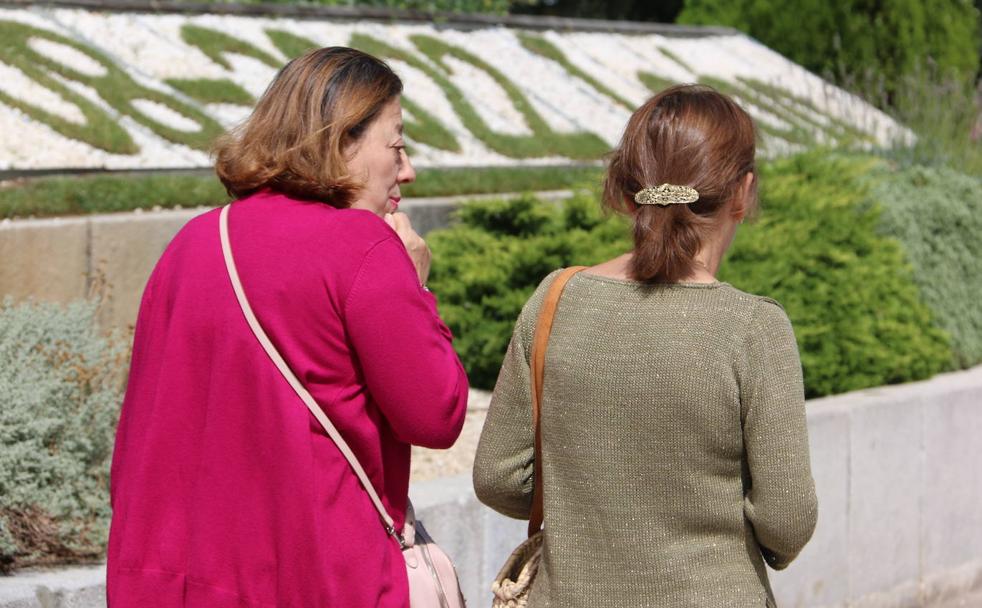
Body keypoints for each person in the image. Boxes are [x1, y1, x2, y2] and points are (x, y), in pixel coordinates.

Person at [107, 47, 469, 607]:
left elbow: (147, 426)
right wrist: (417, 286)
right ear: (342, 140)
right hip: (317, 576)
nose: (407, 170)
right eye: (396, 145)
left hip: (174, 579)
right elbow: (436, 414)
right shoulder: (363, 246)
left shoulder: (194, 241)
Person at [473, 84, 818, 607]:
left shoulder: (557, 299)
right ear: (743, 192)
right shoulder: (753, 328)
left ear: (626, 185)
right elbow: (786, 519)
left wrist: (588, 500)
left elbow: (499, 477)